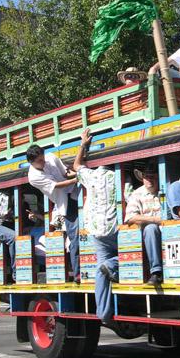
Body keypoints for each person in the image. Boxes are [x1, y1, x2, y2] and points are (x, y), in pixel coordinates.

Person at [71, 128, 119, 324]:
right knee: (135, 256)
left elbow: (76, 165)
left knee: (100, 271)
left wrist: (84, 144)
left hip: (95, 231)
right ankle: (113, 265)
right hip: (114, 229)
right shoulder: (118, 177)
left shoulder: (93, 176)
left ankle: (103, 314)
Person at [27, 145, 80, 281]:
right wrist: (76, 179)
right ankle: (77, 272)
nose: (43, 162)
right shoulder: (33, 177)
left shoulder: (51, 157)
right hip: (65, 200)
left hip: (76, 190)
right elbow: (56, 185)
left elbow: (65, 173)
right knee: (74, 235)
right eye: (39, 161)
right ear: (31, 162)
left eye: (43, 158)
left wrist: (82, 173)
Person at [124, 164, 164, 286]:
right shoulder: (137, 194)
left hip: (167, 234)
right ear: (142, 178)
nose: (149, 180)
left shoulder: (164, 191)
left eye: (153, 177)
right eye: (147, 177)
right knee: (151, 229)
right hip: (148, 237)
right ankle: (156, 272)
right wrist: (154, 220)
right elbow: (130, 217)